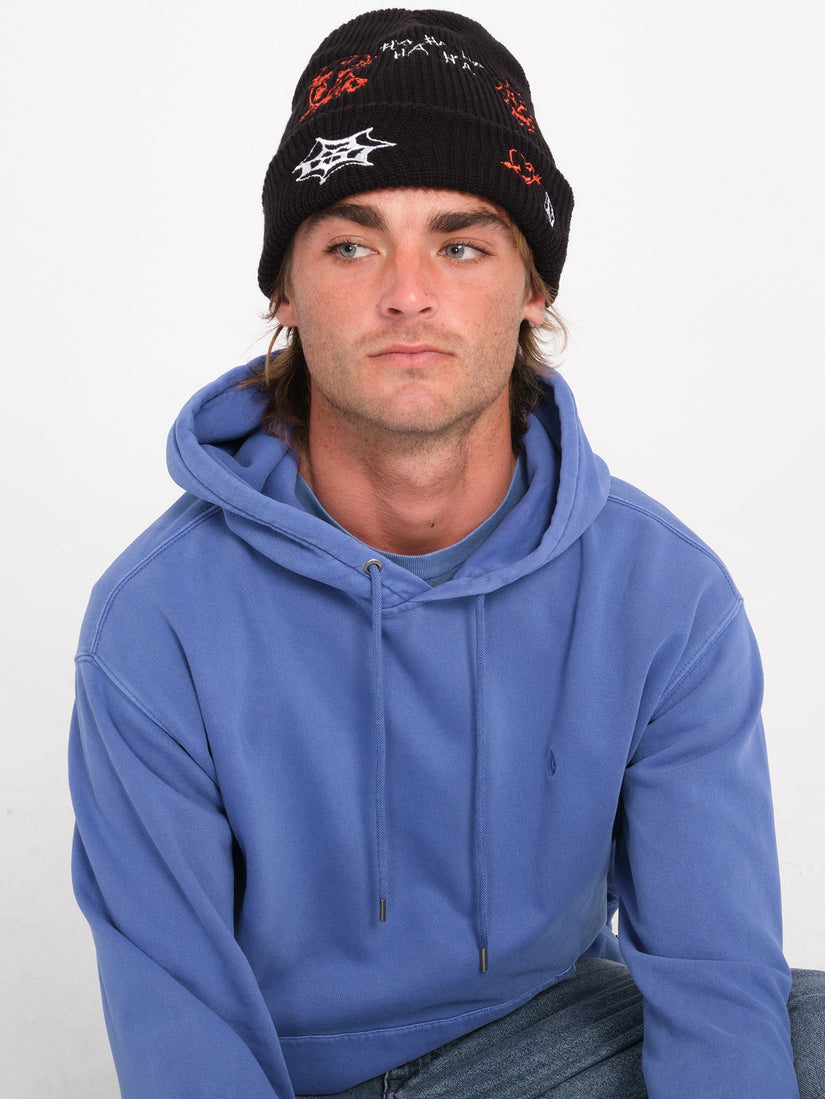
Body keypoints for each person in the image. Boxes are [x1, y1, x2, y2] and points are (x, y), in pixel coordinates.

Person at [69, 9, 823, 1097]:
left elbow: (713, 975)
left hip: (549, 1047)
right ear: (284, 290)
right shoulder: (157, 617)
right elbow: (180, 1029)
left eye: (461, 245)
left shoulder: (663, 592)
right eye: (351, 243)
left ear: (533, 287)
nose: (407, 293)